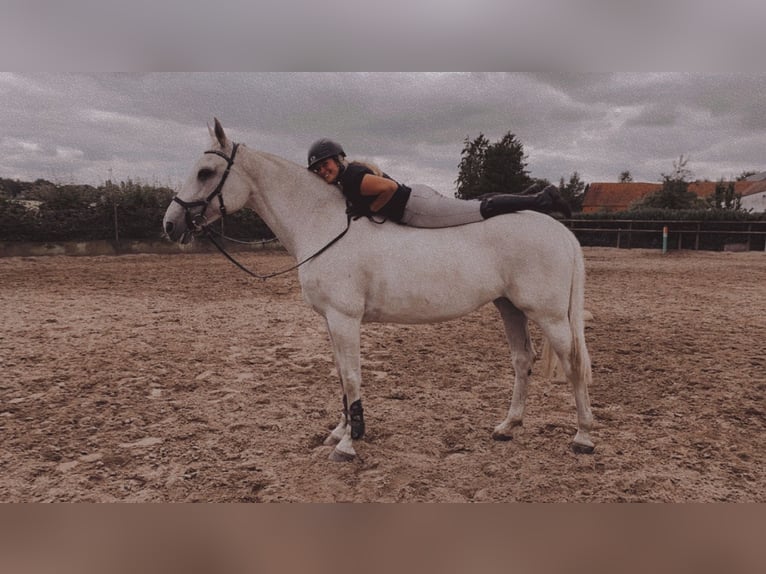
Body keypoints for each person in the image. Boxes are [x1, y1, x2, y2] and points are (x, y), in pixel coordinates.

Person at [307, 138, 571, 228]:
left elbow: (388, 189)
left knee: (479, 210)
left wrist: (369, 209)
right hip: (417, 198)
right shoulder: (348, 174)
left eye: (325, 164)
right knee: (473, 203)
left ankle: (542, 200)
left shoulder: (351, 178)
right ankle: (526, 195)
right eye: (318, 168)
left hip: (416, 208)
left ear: (338, 159)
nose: (322, 170)